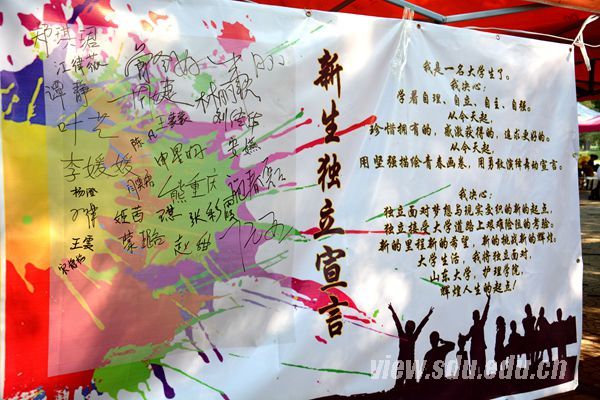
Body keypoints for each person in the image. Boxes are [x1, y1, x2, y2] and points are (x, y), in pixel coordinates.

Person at [388, 303, 434, 387]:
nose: (408, 327)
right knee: (402, 385)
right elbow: (398, 323)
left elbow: (419, 326)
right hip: (404, 363)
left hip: (407, 363)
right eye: (408, 325)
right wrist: (392, 311)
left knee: (408, 385)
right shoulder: (407, 336)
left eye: (410, 325)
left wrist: (428, 315)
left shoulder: (410, 336)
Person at [465, 293, 491, 377]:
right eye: (476, 315)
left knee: (480, 369)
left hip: (478, 349)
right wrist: (462, 337)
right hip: (476, 350)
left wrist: (488, 301)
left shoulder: (480, 324)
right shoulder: (475, 327)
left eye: (476, 315)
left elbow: (485, 312)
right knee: (477, 370)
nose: (476, 317)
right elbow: (467, 337)